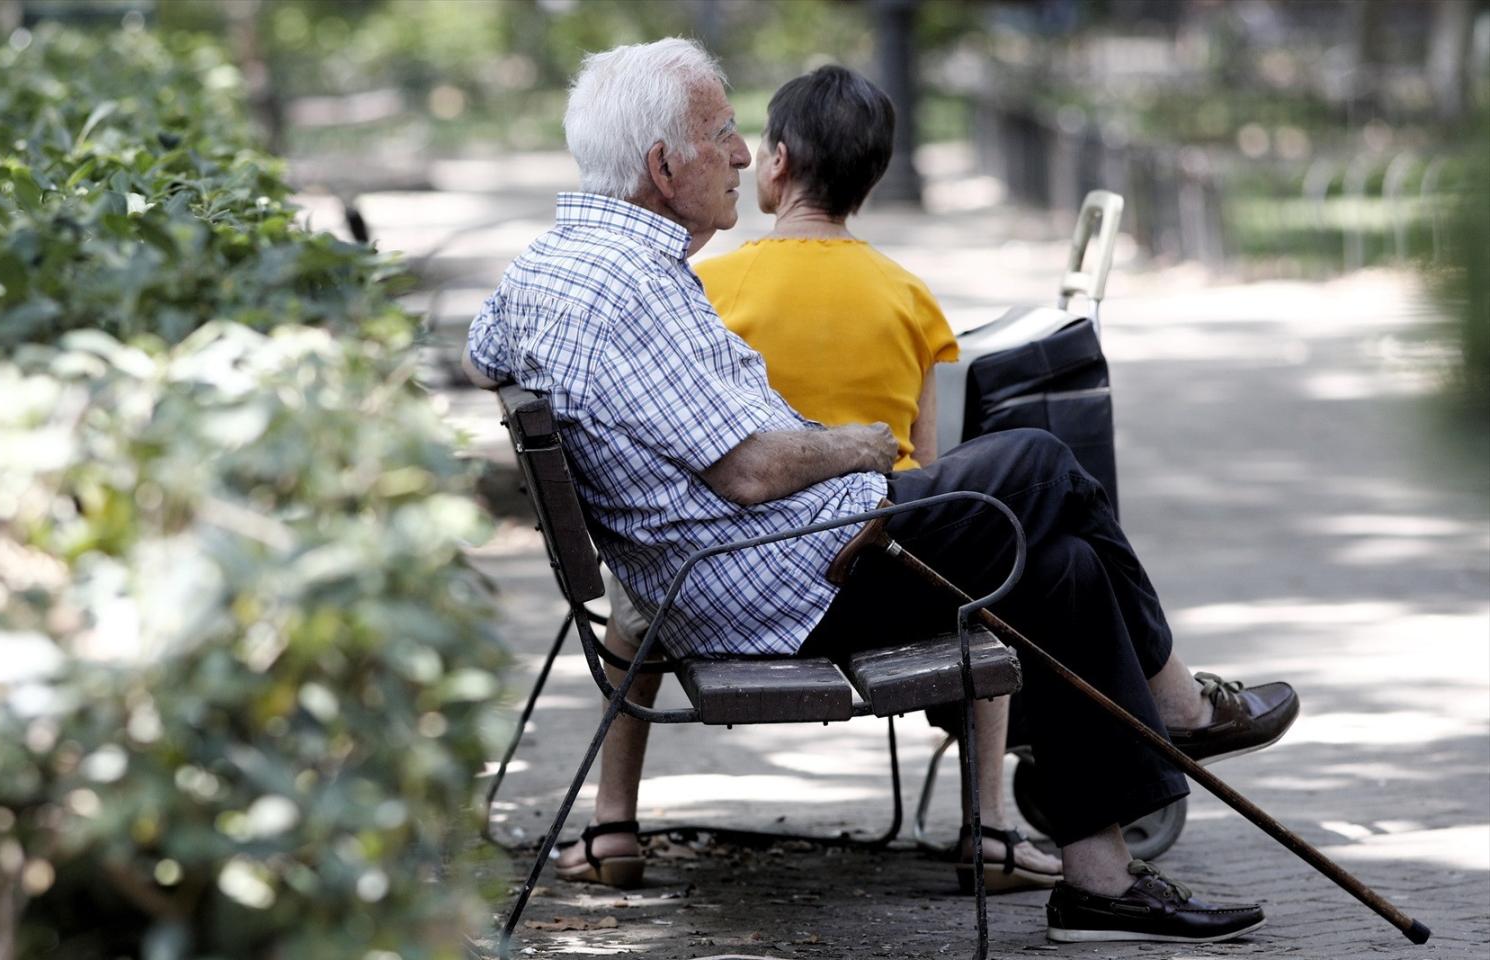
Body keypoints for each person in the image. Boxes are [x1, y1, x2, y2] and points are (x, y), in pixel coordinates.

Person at [465, 38, 1299, 945]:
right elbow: (745, 472)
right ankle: (1179, 707)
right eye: (723, 133)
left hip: (764, 565)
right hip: (785, 584)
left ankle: (1098, 884)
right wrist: (856, 446)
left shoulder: (552, 267)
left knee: (1060, 568)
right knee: (1042, 461)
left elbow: (482, 354)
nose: (744, 154)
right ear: (664, 166)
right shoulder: (629, 289)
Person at [576, 63, 1061, 896]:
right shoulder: (909, 296)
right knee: (997, 568)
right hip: (882, 569)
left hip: (723, 586)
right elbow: (928, 462)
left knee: (632, 612)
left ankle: (611, 821)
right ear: (872, 177)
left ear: (778, 162)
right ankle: (990, 827)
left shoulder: (709, 286)